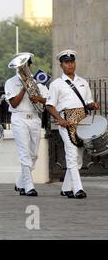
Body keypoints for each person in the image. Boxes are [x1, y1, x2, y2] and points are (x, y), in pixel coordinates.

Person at [46, 50, 99, 199]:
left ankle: (66, 188)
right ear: (61, 65)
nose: (70, 65)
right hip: (66, 121)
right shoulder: (56, 84)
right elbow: (50, 105)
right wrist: (60, 119)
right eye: (67, 62)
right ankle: (78, 189)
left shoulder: (83, 82)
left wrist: (92, 105)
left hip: (82, 120)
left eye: (72, 62)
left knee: (79, 159)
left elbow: (87, 102)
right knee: (71, 154)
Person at [4, 53, 48, 196]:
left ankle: (20, 183)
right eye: (21, 66)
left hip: (35, 118)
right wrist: (24, 88)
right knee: (24, 153)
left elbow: (48, 102)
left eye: (26, 65)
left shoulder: (38, 82)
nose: (24, 68)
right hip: (19, 118)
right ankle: (29, 186)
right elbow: (14, 104)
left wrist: (38, 98)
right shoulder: (10, 82)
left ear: (30, 66)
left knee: (33, 155)